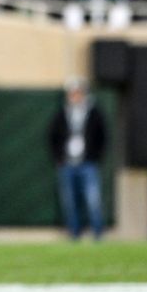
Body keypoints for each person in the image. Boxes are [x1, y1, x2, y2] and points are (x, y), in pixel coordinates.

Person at [48, 78, 108, 240]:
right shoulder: (62, 114)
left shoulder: (94, 113)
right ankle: (74, 234)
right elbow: (52, 137)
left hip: (88, 163)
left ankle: (98, 234)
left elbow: (103, 137)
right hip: (67, 164)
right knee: (70, 202)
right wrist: (59, 159)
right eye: (72, 93)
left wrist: (96, 157)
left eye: (78, 93)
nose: (75, 96)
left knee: (93, 200)